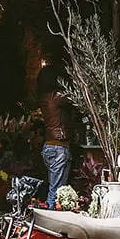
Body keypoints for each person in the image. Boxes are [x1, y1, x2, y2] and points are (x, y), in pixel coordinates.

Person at [37, 65, 73, 210]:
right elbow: (74, 95)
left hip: (51, 146)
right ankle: (50, 217)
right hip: (58, 147)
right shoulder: (56, 98)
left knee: (58, 189)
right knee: (56, 190)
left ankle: (53, 217)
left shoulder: (44, 97)